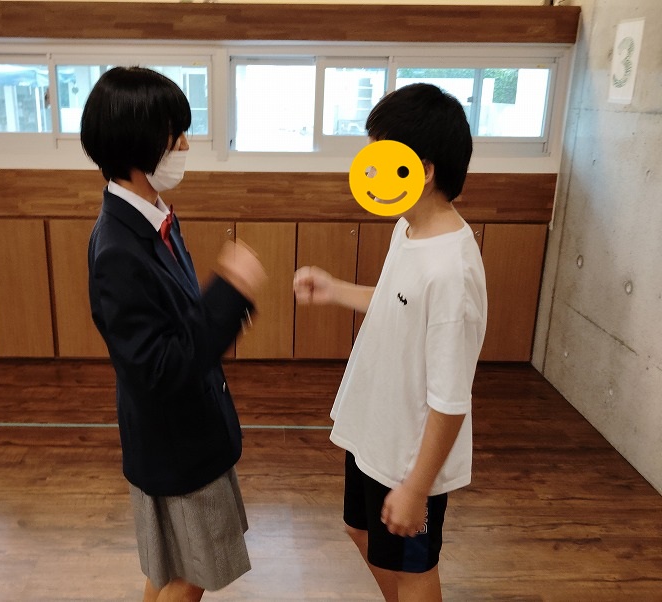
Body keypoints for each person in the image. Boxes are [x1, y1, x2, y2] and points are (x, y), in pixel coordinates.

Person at [293, 83, 487, 601]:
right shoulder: (409, 230)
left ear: (423, 170)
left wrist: (417, 487)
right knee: (361, 533)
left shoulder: (452, 272)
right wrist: (335, 289)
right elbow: (397, 303)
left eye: (382, 157)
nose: (371, 170)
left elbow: (450, 400)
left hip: (409, 456)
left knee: (414, 570)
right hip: (373, 434)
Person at [81, 66, 266, 602]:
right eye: (174, 133)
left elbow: (178, 324)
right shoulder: (117, 248)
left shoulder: (154, 216)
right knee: (190, 576)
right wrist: (229, 295)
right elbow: (159, 367)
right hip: (175, 443)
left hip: (188, 430)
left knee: (169, 569)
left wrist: (221, 299)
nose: (185, 145)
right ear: (138, 142)